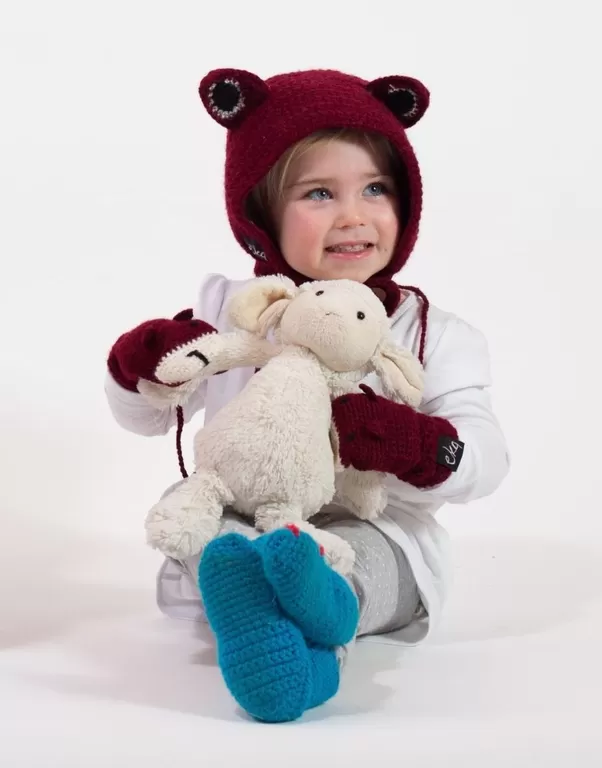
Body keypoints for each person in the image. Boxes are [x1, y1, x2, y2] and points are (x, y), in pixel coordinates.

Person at [105, 68, 510, 722]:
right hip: (250, 508)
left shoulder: (435, 334)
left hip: (372, 526)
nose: (354, 216)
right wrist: (140, 371)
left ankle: (311, 609)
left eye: (375, 189)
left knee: (368, 558)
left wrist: (422, 447)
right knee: (211, 528)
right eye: (319, 193)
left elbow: (486, 457)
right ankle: (276, 630)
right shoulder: (233, 309)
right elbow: (153, 415)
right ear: (262, 213)